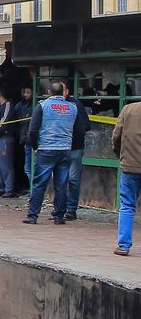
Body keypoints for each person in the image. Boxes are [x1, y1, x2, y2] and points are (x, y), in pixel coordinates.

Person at [24, 82, 76, 225]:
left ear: (49, 91)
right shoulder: (73, 108)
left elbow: (33, 130)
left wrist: (35, 146)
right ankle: (59, 216)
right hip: (65, 149)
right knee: (61, 184)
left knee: (39, 183)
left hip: (46, 149)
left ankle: (33, 215)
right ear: (64, 92)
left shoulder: (43, 106)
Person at [112, 101, 141, 256]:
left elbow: (117, 136)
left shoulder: (128, 109)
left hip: (130, 166)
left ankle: (123, 245)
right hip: (129, 164)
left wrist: (121, 157)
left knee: (127, 206)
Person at [61, 86, 91, 222]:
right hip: (63, 147)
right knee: (62, 180)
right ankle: (61, 209)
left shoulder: (75, 104)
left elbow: (85, 125)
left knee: (71, 179)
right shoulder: (52, 105)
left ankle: (70, 209)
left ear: (67, 92)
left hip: (73, 148)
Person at [12, 84, 34, 192]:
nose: (25, 95)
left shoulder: (35, 106)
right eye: (24, 92)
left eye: (28, 92)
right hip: (21, 138)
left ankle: (32, 191)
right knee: (25, 166)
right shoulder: (19, 105)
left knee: (29, 167)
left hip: (30, 139)